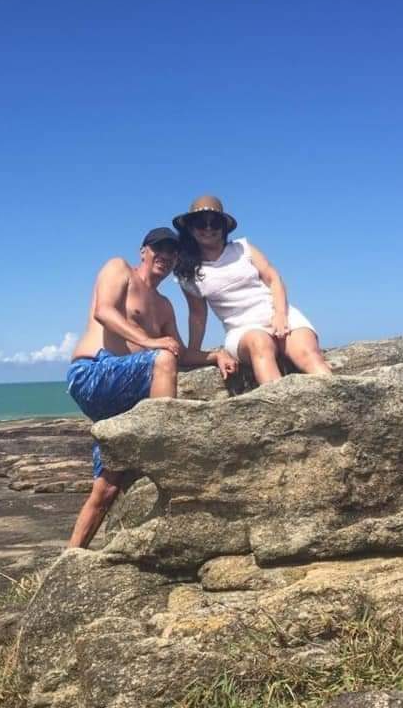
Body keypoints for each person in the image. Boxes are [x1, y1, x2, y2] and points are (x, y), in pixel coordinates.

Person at [66, 227, 237, 548]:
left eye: (172, 252)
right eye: (159, 248)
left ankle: (69, 557)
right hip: (93, 372)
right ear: (143, 251)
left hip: (125, 396)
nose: (166, 256)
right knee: (161, 358)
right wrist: (150, 341)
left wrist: (216, 355)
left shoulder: (164, 305)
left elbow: (178, 352)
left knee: (107, 488)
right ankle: (165, 453)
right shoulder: (119, 269)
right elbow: (104, 311)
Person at [173, 196, 332, 386]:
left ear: (223, 228)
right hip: (242, 330)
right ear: (190, 228)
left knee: (308, 353)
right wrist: (195, 352)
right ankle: (278, 399)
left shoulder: (243, 248)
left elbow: (273, 278)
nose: (208, 229)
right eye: (201, 223)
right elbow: (197, 315)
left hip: (279, 315)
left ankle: (335, 398)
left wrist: (280, 315)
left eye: (214, 223)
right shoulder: (188, 273)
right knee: (260, 344)